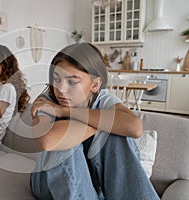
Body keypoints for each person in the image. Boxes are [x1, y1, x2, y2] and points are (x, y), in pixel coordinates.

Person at [30, 43, 159, 200]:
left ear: (95, 84)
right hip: (46, 183)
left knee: (117, 136)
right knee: (64, 140)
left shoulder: (102, 99)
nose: (61, 89)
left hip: (91, 182)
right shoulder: (46, 101)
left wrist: (65, 111)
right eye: (56, 80)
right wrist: (104, 123)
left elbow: (134, 128)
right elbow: (47, 141)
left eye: (72, 81)